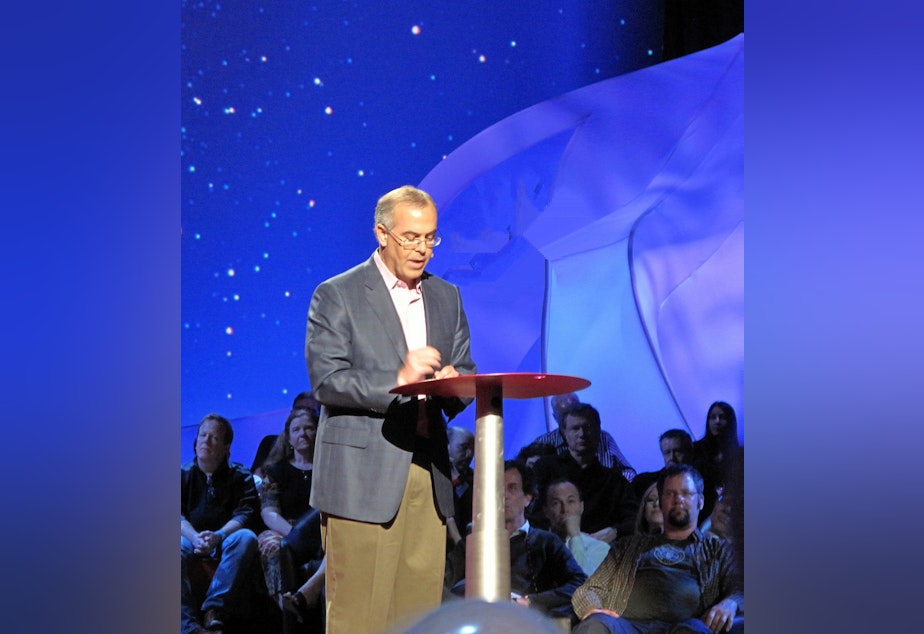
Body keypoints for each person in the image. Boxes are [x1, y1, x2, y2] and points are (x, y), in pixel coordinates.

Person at [305, 184, 477, 634]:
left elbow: (466, 373)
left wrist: (451, 385)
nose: (423, 249)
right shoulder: (337, 294)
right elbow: (327, 381)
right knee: (359, 620)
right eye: (411, 237)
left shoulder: (447, 297)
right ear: (382, 234)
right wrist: (398, 382)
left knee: (417, 621)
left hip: (427, 473)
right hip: (362, 480)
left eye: (430, 238)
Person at [571, 464, 744, 634]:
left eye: (686, 493)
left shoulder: (718, 550)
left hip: (686, 626)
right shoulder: (627, 547)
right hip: (626, 626)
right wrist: (593, 609)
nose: (678, 499)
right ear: (661, 502)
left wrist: (731, 603)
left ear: (700, 501)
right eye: (671, 494)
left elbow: (741, 586)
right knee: (595, 625)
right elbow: (590, 589)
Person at [445, 461, 587, 620]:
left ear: (527, 498)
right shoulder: (474, 542)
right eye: (498, 488)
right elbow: (439, 583)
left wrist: (531, 602)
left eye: (512, 488)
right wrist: (462, 607)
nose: (503, 495)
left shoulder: (546, 542)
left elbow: (580, 583)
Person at [181, 414, 260, 634]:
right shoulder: (181, 474)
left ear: (226, 447)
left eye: (214, 438)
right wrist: (195, 537)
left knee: (246, 538)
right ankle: (188, 626)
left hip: (224, 537)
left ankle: (213, 609)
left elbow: (245, 514)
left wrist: (218, 536)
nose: (205, 441)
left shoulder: (241, 476)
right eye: (202, 436)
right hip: (190, 537)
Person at [256, 407, 326, 630]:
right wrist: (293, 534)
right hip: (287, 529)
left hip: (324, 528)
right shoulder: (275, 470)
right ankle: (288, 608)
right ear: (289, 437)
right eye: (296, 429)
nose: (302, 434)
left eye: (308, 428)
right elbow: (269, 512)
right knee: (269, 543)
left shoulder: (329, 467)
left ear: (318, 431)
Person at [531, 403, 638, 543]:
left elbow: (634, 518)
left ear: (598, 431)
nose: (582, 434)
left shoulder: (614, 480)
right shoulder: (545, 468)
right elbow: (534, 513)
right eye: (575, 428)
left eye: (587, 427)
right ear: (564, 433)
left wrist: (614, 531)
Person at [530, 393, 635, 478]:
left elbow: (628, 471)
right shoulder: (542, 443)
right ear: (555, 417)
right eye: (565, 416)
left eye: (576, 412)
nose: (581, 434)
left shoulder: (602, 437)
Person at [542, 478, 611, 576]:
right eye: (556, 503)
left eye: (571, 501)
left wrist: (574, 536)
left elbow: (582, 583)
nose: (565, 509)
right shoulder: (535, 545)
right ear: (546, 511)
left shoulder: (599, 548)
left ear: (581, 507)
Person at [693, 401, 742, 498]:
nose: (717, 421)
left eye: (722, 417)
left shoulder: (740, 454)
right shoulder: (696, 449)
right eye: (713, 417)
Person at [446, 425, 475, 547]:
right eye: (463, 447)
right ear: (447, 446)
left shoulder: (478, 481)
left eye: (472, 449)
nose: (469, 454)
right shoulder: (433, 479)